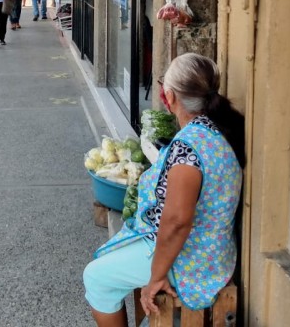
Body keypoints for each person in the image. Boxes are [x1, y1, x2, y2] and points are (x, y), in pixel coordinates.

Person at [83, 53, 245, 325]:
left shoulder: (188, 149)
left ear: (168, 97)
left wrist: (156, 278)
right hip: (209, 248)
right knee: (110, 260)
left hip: (192, 258)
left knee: (96, 277)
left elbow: (177, 222)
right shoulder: (215, 131)